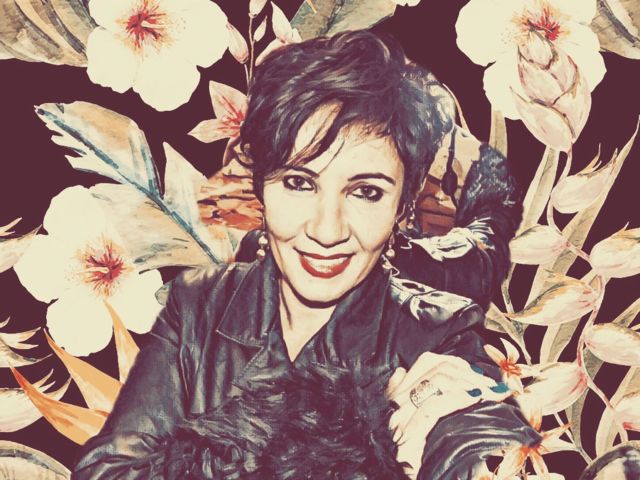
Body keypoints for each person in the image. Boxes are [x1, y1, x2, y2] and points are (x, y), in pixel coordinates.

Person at [72, 30, 540, 480]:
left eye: (366, 191)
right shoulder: (198, 304)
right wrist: (346, 434)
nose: (326, 230)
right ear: (260, 186)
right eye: (299, 183)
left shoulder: (441, 333)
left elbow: (473, 440)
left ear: (403, 204)